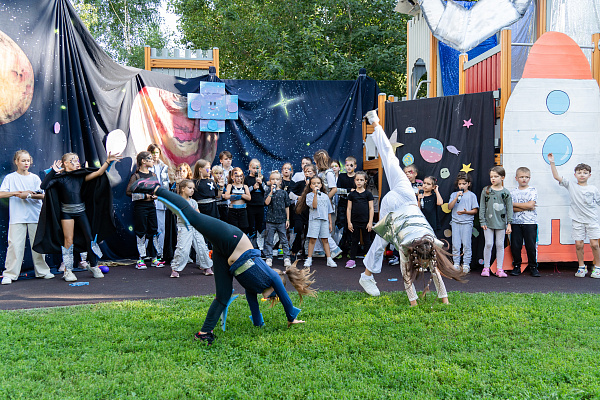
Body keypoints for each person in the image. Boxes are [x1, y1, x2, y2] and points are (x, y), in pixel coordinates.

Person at [129, 177, 316, 344]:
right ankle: (156, 188)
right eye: (273, 297)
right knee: (193, 217)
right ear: (276, 290)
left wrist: (258, 322)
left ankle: (205, 332)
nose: (269, 299)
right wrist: (291, 316)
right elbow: (277, 283)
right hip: (231, 238)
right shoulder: (270, 277)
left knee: (223, 295)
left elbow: (253, 304)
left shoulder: (254, 287)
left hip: (225, 255)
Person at [358, 110, 462, 304]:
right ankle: (375, 122)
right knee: (390, 160)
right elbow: (430, 272)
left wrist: (439, 299)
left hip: (397, 208)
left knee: (382, 240)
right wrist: (444, 300)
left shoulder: (417, 246)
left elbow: (419, 274)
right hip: (405, 199)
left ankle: (366, 276)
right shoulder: (425, 246)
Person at [33, 152, 121, 282]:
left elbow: (98, 173)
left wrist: (108, 162)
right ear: (65, 163)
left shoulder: (80, 176)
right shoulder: (59, 178)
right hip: (66, 213)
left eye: (78, 160)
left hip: (81, 211)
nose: (77, 162)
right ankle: (68, 270)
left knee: (90, 239)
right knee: (68, 240)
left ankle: (93, 265)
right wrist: (53, 171)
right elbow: (43, 186)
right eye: (73, 160)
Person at [0, 150, 54, 284]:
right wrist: (17, 193)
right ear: (16, 162)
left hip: (35, 216)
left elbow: (43, 195)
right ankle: (10, 274)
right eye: (23, 160)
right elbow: (1, 194)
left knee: (38, 245)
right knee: (14, 246)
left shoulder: (35, 178)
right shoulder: (10, 178)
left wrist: (29, 195)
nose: (26, 163)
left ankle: (43, 271)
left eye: (28, 160)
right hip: (17, 217)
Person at [548, 153, 600, 278]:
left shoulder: (593, 189)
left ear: (589, 175)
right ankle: (581, 267)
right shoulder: (571, 185)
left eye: (585, 173)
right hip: (577, 220)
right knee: (579, 244)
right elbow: (556, 176)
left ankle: (598, 267)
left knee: (594, 244)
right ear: (575, 174)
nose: (582, 175)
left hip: (592, 220)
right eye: (579, 172)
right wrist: (552, 162)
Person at [126, 151, 163, 269]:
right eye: (150, 158)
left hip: (152, 206)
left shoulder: (153, 175)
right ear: (143, 161)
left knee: (153, 230)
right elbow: (128, 192)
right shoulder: (136, 176)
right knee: (141, 231)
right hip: (140, 207)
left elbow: (157, 189)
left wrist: (156, 195)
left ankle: (154, 258)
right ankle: (140, 259)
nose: (152, 160)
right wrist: (144, 196)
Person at [170, 179, 213, 278]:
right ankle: (176, 268)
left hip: (195, 226)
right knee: (183, 248)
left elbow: (197, 213)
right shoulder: (178, 201)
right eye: (189, 188)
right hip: (184, 227)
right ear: (182, 189)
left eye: (193, 188)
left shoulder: (193, 202)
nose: (192, 190)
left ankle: (207, 267)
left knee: (202, 246)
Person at [479, 166, 513, 278]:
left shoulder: (506, 193)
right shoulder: (486, 190)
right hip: (488, 223)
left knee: (499, 244)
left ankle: (499, 269)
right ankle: (486, 267)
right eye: (491, 177)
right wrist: (482, 221)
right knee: (489, 244)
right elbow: (482, 207)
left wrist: (509, 223)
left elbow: (509, 209)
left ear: (502, 177)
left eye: (496, 176)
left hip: (501, 223)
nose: (493, 179)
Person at [297, 176, 337, 268]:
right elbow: (314, 206)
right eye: (314, 183)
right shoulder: (309, 196)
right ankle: (309, 258)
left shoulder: (325, 196)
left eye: (318, 183)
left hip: (324, 220)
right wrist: (315, 194)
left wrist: (330, 223)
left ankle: (329, 259)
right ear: (310, 186)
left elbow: (329, 210)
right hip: (314, 220)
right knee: (313, 239)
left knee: (325, 239)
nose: (316, 185)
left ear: (321, 185)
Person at [509, 167, 540, 277]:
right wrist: (526, 207)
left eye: (526, 177)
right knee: (516, 246)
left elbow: (531, 205)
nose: (524, 179)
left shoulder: (532, 190)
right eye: (521, 177)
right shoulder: (512, 192)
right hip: (516, 222)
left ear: (529, 178)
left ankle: (533, 267)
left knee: (531, 246)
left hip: (530, 223)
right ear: (516, 178)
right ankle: (517, 266)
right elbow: (510, 208)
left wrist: (515, 204)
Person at [313, 149, 342, 258]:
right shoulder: (319, 173)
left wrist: (325, 199)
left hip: (326, 205)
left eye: (316, 161)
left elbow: (334, 189)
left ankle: (334, 249)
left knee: (326, 227)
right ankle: (321, 250)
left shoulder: (328, 173)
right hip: (319, 204)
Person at [447, 172, 479, 273]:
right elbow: (449, 207)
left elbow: (475, 210)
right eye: (460, 184)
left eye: (464, 184)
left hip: (467, 223)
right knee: (456, 244)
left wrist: (466, 212)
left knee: (466, 244)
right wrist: (456, 198)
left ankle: (466, 264)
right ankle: (456, 263)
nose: (462, 186)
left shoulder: (472, 195)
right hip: (455, 222)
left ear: (468, 184)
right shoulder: (454, 194)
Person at [264, 171, 293, 267]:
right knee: (269, 240)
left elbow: (287, 206)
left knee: (284, 240)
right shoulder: (268, 191)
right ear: (270, 181)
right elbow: (267, 203)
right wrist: (271, 192)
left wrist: (287, 219)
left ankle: (286, 258)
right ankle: (269, 257)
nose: (275, 181)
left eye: (277, 179)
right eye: (273, 179)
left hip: (281, 220)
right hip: (270, 220)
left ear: (280, 181)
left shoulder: (284, 193)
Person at [345, 171, 374, 269]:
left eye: (361, 180)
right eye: (357, 180)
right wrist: (349, 222)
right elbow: (349, 209)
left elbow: (371, 208)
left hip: (365, 222)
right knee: (354, 241)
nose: (359, 182)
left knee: (367, 241)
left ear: (365, 181)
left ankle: (369, 260)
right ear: (354, 181)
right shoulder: (352, 194)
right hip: (354, 222)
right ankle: (352, 260)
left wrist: (370, 222)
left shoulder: (368, 194)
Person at [147, 144, 170, 264]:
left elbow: (166, 184)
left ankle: (159, 253)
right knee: (149, 227)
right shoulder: (145, 168)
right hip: (149, 201)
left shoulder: (164, 167)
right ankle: (146, 253)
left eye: (157, 153)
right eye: (153, 153)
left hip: (161, 201)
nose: (155, 155)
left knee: (161, 228)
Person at [290, 164, 316, 260]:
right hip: (299, 211)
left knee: (308, 232)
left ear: (314, 173)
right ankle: (294, 250)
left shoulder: (316, 185)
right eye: (306, 172)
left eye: (309, 172)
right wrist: (298, 197)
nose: (307, 173)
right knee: (298, 229)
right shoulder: (300, 183)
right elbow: (290, 193)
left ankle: (306, 251)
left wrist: (311, 186)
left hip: (311, 212)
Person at [336, 156, 357, 256]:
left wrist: (350, 192)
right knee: (342, 226)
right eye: (347, 165)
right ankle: (340, 249)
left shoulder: (357, 177)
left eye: (351, 165)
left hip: (354, 205)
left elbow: (358, 191)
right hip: (343, 204)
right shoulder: (342, 176)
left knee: (351, 227)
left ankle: (350, 250)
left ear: (355, 166)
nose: (349, 167)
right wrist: (349, 191)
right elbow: (338, 190)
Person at [223, 167, 251, 231]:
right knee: (233, 228)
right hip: (233, 210)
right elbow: (226, 196)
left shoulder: (245, 186)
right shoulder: (230, 185)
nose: (239, 178)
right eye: (236, 176)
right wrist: (234, 195)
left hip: (242, 210)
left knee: (243, 228)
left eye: (240, 176)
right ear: (232, 177)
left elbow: (249, 198)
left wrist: (241, 195)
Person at [245, 159, 265, 248]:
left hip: (260, 206)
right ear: (249, 168)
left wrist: (261, 183)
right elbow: (244, 192)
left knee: (259, 226)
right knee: (251, 225)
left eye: (257, 168)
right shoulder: (247, 179)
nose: (255, 170)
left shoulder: (262, 178)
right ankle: (250, 245)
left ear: (260, 168)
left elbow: (267, 191)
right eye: (253, 168)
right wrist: (253, 188)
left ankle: (259, 246)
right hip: (250, 206)